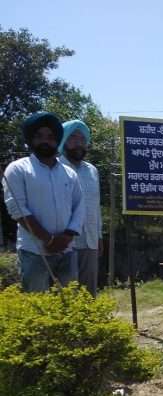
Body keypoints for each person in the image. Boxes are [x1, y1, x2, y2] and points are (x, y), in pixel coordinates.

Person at [2, 112, 84, 292]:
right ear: (31, 140)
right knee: (36, 305)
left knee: (70, 305)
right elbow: (17, 209)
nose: (45, 141)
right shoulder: (17, 169)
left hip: (67, 250)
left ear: (57, 141)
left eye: (50, 137)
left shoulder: (69, 173)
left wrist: (67, 237)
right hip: (34, 251)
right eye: (39, 136)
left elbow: (79, 206)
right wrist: (48, 240)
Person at [59, 120, 102, 297]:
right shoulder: (55, 167)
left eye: (82, 139)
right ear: (63, 140)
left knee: (89, 292)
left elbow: (95, 206)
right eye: (73, 137)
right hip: (64, 241)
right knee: (65, 290)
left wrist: (99, 236)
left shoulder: (92, 170)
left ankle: (91, 324)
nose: (78, 142)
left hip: (90, 240)